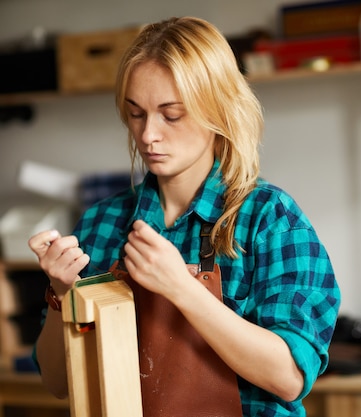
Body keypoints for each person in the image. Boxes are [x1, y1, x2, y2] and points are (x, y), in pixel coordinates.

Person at [28, 16, 341, 416]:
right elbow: (57, 383)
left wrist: (182, 288)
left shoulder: (269, 219)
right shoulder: (101, 223)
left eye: (171, 115)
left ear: (218, 111)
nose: (147, 135)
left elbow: (289, 377)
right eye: (136, 113)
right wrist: (62, 294)